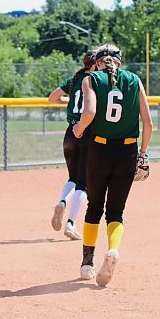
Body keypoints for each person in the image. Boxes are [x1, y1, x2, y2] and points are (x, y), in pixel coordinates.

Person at [72, 43, 153, 286]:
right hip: (127, 150)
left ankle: (87, 263)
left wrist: (79, 128)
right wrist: (143, 153)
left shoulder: (91, 79)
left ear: (97, 61)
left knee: (94, 207)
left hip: (100, 149)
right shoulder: (134, 79)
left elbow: (90, 112)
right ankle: (113, 250)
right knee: (116, 211)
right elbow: (148, 124)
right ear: (120, 61)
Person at [48, 50, 96, 240]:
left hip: (69, 134)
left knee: (72, 177)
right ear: (94, 65)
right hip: (86, 132)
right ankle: (70, 224)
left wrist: (69, 101)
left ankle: (62, 201)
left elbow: (52, 98)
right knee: (83, 184)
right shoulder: (95, 81)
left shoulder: (74, 79)